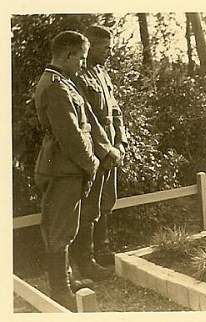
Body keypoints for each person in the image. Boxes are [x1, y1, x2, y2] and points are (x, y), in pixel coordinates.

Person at [34, 31, 119, 311]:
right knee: (60, 230)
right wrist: (92, 163)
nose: (83, 64)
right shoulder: (57, 87)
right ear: (68, 55)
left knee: (66, 228)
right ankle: (60, 291)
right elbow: (71, 136)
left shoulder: (63, 83)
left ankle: (67, 281)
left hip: (68, 168)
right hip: (63, 169)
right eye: (81, 58)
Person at [70, 25, 128, 281]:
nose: (110, 53)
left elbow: (115, 110)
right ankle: (86, 260)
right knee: (89, 206)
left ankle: (102, 250)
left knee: (107, 201)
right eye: (106, 48)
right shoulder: (78, 76)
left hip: (112, 147)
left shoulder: (102, 73)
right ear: (90, 47)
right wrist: (106, 150)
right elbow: (89, 119)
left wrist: (122, 141)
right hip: (94, 150)